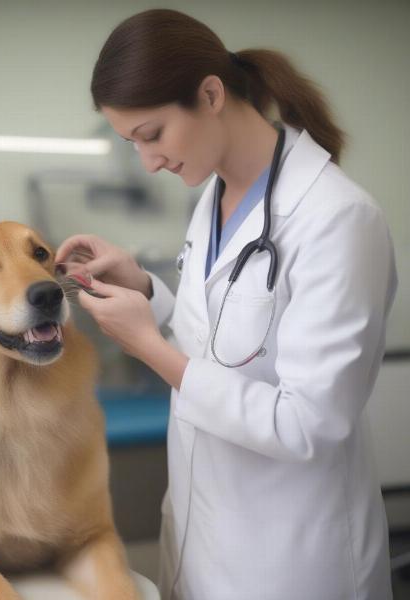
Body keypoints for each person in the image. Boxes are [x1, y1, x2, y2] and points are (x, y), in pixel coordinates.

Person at [55, 9, 397, 600]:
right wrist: (144, 291)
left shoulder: (338, 220)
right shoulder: (213, 190)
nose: (149, 162)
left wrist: (146, 347)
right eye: (132, 143)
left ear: (211, 94)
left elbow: (306, 425)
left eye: (152, 134)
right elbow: (222, 338)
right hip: (203, 532)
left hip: (288, 560)